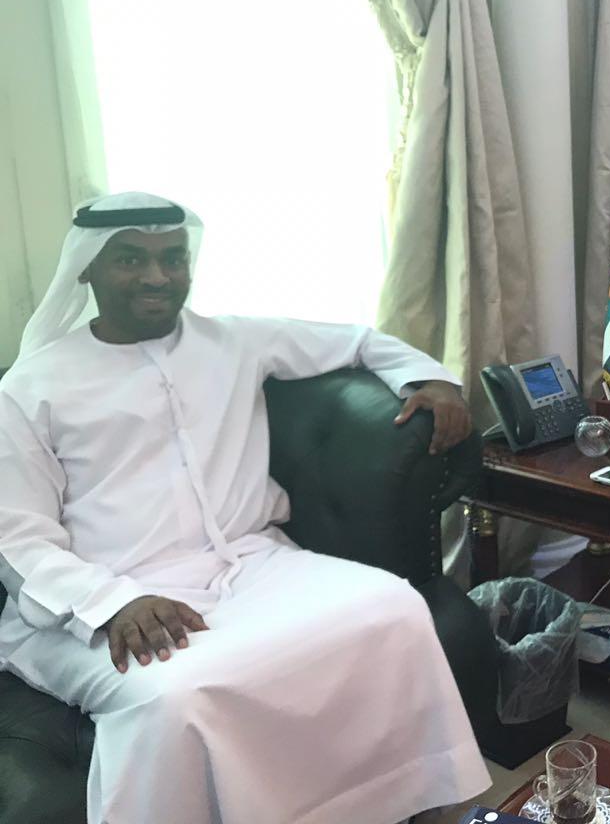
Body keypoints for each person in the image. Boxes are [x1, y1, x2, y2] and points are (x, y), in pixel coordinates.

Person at [0, 192, 490, 824]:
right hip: (104, 600)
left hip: (251, 561)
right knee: (173, 697)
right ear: (87, 268)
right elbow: (19, 537)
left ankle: (397, 805)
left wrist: (432, 380)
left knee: (392, 605)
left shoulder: (235, 339)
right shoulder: (32, 386)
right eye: (130, 259)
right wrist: (111, 603)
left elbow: (361, 342)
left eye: (172, 258)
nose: (156, 276)